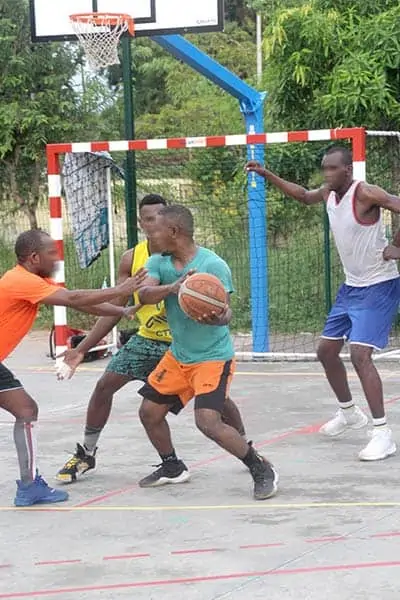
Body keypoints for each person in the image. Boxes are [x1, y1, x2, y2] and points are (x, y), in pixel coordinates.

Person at [55, 195, 249, 483]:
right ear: (141, 223)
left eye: (160, 217)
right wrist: (82, 348)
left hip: (184, 343)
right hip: (149, 340)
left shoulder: (203, 260)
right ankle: (88, 453)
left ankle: (245, 445)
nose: (154, 223)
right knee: (105, 385)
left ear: (173, 225)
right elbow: (118, 308)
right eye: (148, 219)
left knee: (217, 402)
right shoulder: (135, 258)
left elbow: (223, 307)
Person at [246, 146, 400, 461]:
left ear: (348, 170)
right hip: (351, 286)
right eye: (324, 168)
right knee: (325, 351)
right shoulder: (329, 193)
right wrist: (267, 174)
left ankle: (382, 433)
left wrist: (396, 246)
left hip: (379, 284)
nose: (327, 174)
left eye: (332, 168)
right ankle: (349, 413)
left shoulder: (365, 192)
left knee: (360, 355)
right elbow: (303, 195)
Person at [136, 204, 278, 500]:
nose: (149, 232)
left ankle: (260, 467)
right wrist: (173, 288)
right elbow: (145, 293)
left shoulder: (213, 265)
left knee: (208, 421)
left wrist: (218, 315)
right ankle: (172, 466)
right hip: (179, 356)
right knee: (149, 413)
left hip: (213, 358)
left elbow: (226, 312)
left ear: (174, 232)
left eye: (156, 228)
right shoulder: (158, 262)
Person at [0, 229, 146, 506]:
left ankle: (29, 486)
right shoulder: (20, 281)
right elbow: (74, 299)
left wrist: (122, 310)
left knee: (26, 410)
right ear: (33, 257)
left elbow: (82, 304)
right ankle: (29, 486)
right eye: (51, 252)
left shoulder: (33, 281)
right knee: (26, 410)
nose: (57, 258)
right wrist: (120, 291)